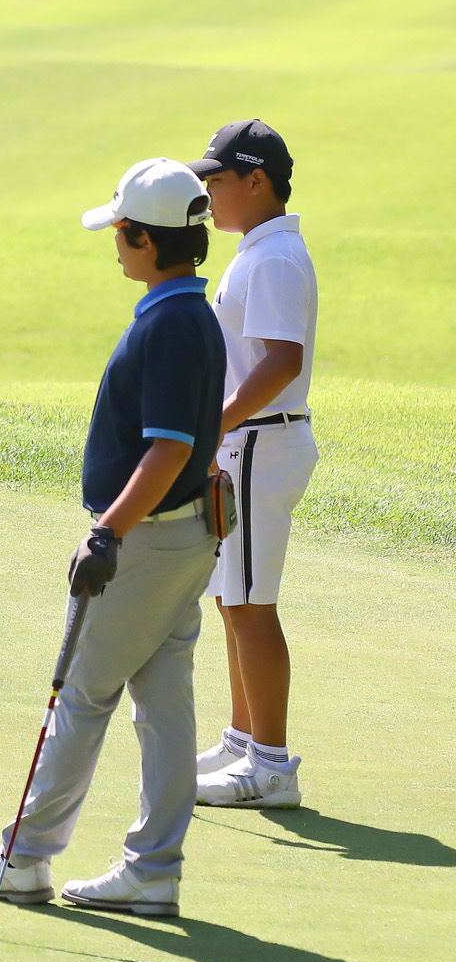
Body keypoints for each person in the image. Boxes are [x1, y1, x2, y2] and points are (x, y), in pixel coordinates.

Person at [0, 158, 225, 917]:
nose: (114, 242)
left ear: (145, 238)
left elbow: (171, 447)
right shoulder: (191, 314)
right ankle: (154, 869)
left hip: (146, 543)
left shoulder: (171, 324)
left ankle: (25, 859)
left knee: (83, 695)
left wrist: (108, 531)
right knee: (165, 703)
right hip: (186, 538)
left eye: (120, 231)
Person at [186, 120, 319, 810]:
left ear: (256, 181)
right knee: (232, 598)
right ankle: (243, 740)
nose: (207, 194)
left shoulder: (272, 258)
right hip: (251, 443)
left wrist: (219, 421)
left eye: (217, 181)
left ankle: (270, 765)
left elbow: (282, 361)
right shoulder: (261, 251)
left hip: (260, 443)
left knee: (250, 604)